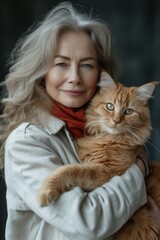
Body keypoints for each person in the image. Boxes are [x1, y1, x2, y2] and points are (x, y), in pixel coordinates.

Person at [0, 2, 159, 240]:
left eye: (86, 65)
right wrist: (139, 169)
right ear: (42, 71)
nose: (74, 78)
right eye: (61, 64)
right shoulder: (26, 141)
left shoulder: (99, 129)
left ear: (100, 74)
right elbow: (86, 224)